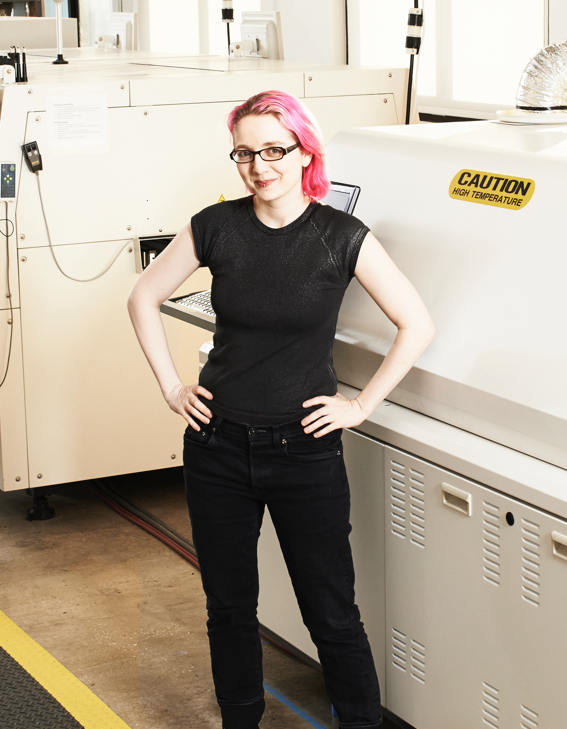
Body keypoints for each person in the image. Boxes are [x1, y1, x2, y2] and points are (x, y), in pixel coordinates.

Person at [127, 89, 434, 729]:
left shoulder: (341, 237)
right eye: (245, 153)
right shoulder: (216, 226)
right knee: (230, 606)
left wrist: (360, 406)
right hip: (217, 445)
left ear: (304, 152)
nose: (259, 166)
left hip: (305, 451)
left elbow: (416, 324)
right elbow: (143, 297)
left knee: (331, 612)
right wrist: (171, 387)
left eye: (274, 149)